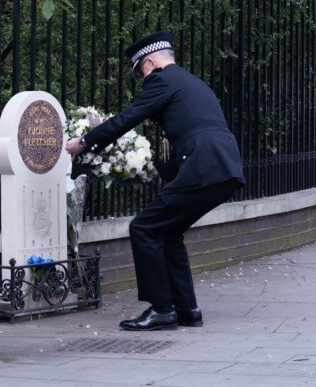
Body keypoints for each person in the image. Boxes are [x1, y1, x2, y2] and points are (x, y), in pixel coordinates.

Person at [65, 31, 245, 331]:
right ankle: (187, 309)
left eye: (140, 73)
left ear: (150, 62)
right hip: (224, 167)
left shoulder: (162, 79)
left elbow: (128, 118)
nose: (142, 81)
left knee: (144, 227)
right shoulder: (192, 82)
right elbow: (195, 131)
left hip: (203, 166)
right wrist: (160, 170)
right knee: (168, 231)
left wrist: (84, 142)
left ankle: (162, 309)